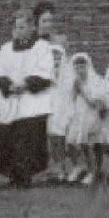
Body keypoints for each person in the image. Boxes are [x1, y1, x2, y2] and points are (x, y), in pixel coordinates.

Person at [0, 8, 53, 186]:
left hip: (31, 102)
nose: (19, 30)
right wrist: (8, 85)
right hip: (10, 100)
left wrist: (25, 84)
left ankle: (25, 175)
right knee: (9, 139)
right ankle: (13, 174)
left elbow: (45, 72)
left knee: (28, 140)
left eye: (22, 26)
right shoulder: (5, 48)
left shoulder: (42, 47)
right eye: (16, 27)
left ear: (32, 27)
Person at [67, 51, 107, 185]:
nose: (79, 70)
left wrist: (82, 91)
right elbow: (71, 100)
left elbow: (97, 104)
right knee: (72, 142)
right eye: (77, 67)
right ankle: (80, 167)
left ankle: (93, 172)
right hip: (78, 115)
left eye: (82, 66)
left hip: (92, 115)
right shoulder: (74, 81)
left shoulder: (96, 81)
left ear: (88, 66)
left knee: (89, 144)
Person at [45, 37, 72, 183]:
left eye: (58, 55)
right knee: (54, 139)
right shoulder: (46, 72)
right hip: (51, 107)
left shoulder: (68, 71)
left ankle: (68, 168)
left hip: (64, 107)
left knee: (65, 139)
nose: (55, 58)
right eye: (52, 55)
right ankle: (57, 168)